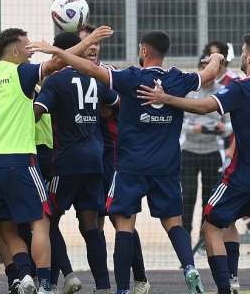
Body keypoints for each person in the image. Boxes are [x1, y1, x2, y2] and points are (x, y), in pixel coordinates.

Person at [28, 30, 224, 294]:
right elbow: (210, 73)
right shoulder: (178, 79)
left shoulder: (131, 77)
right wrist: (216, 56)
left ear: (144, 51)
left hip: (130, 166)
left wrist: (59, 53)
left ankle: (120, 289)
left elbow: (88, 68)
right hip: (165, 166)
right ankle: (189, 267)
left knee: (123, 225)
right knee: (173, 222)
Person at [136, 34, 250, 294]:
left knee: (210, 226)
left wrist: (166, 98)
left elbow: (203, 107)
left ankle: (224, 288)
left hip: (241, 175)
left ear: (248, 57)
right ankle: (233, 280)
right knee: (229, 221)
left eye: (243, 53)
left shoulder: (241, 87)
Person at [0, 26, 113, 294]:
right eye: (27, 46)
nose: (31, 50)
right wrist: (88, 41)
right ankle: (44, 285)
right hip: (19, 160)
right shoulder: (21, 73)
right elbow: (57, 62)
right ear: (16, 50)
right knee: (41, 220)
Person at [34, 32, 116, 293]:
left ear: (59, 54)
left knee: (46, 218)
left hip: (66, 161)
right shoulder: (94, 76)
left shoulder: (55, 82)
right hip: (95, 159)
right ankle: (103, 286)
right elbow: (116, 103)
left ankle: (59, 279)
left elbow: (38, 112)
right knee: (90, 224)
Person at [78, 24, 150, 294]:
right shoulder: (67, 75)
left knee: (120, 219)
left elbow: (119, 105)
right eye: (87, 43)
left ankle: (140, 278)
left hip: (112, 158)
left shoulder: (109, 76)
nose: (93, 46)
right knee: (91, 221)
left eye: (96, 42)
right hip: (84, 160)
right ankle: (103, 285)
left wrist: (107, 106)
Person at [205, 41, 250, 255]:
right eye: (209, 56)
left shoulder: (235, 82)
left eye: (215, 56)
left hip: (234, 152)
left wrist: (168, 99)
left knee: (221, 211)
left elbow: (236, 124)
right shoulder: (216, 82)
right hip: (227, 149)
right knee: (231, 209)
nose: (211, 60)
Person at [180, 54, 232, 236]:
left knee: (209, 198)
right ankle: (185, 238)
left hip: (212, 151)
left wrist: (222, 128)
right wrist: (193, 129)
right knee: (187, 196)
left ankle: (204, 239)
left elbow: (231, 124)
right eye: (203, 66)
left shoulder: (224, 91)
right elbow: (178, 122)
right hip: (189, 151)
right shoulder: (189, 90)